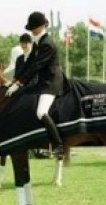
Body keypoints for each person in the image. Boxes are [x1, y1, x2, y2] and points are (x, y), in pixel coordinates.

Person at [6, 11, 67, 156]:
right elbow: (29, 64)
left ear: (41, 26)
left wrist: (19, 83)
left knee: (41, 112)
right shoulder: (37, 43)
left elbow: (36, 66)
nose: (32, 31)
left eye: (34, 28)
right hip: (42, 82)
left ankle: (59, 145)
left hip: (52, 83)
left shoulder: (47, 44)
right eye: (31, 28)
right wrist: (15, 81)